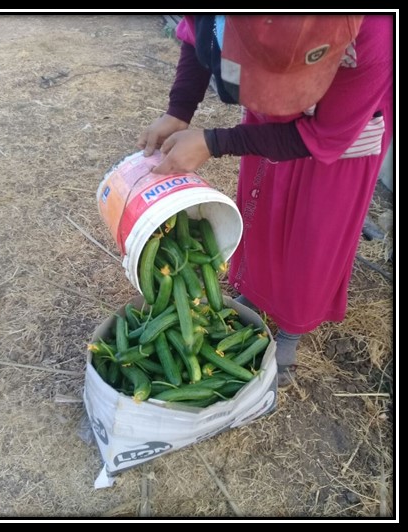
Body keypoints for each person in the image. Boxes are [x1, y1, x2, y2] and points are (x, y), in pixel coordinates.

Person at [137, 15, 393, 387]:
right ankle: (255, 296)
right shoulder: (223, 21)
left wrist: (215, 142)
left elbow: (326, 136)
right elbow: (197, 35)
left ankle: (291, 330)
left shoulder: (376, 32)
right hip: (266, 133)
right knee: (260, 215)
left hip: (341, 140)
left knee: (313, 240)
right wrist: (178, 110)